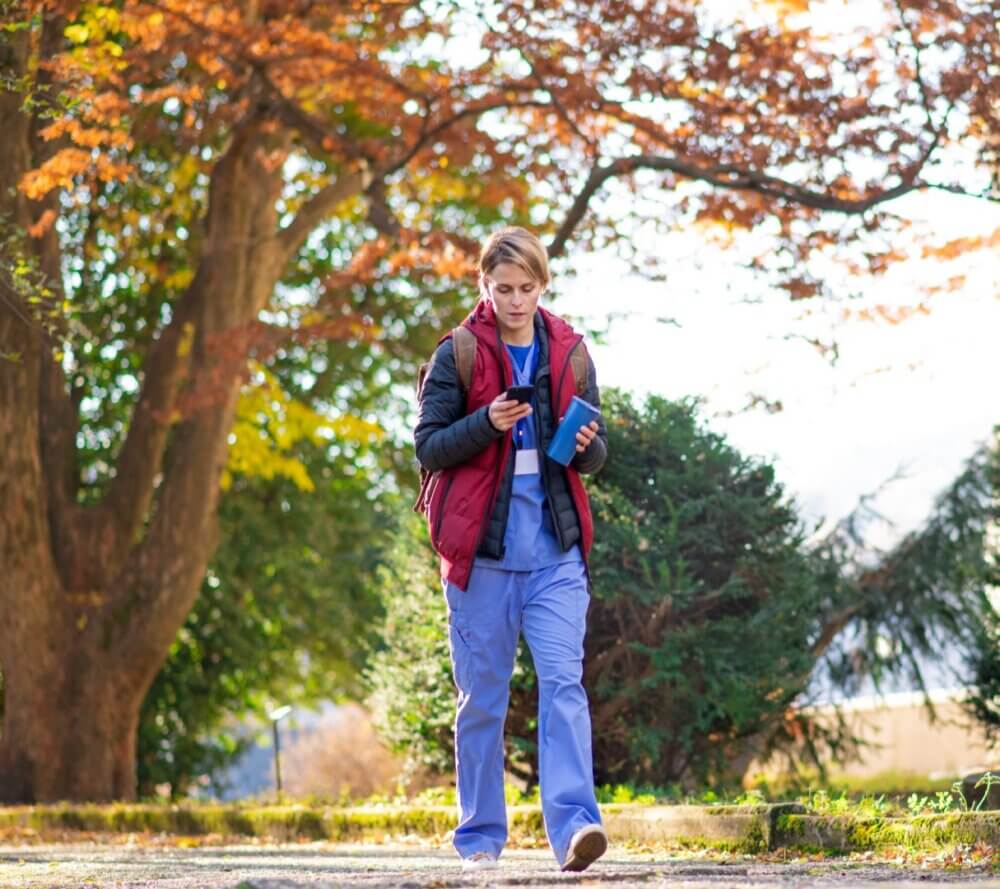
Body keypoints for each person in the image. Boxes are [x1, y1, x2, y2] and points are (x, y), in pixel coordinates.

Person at [413, 226, 609, 872]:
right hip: (482, 559)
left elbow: (598, 451)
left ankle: (576, 828)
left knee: (564, 685)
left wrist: (588, 447)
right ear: (484, 285)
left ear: (542, 285)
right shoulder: (459, 352)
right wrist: (486, 423)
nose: (516, 301)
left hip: (555, 553)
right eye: (504, 289)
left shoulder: (571, 351)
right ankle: (479, 839)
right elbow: (429, 446)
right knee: (482, 701)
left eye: (527, 288)